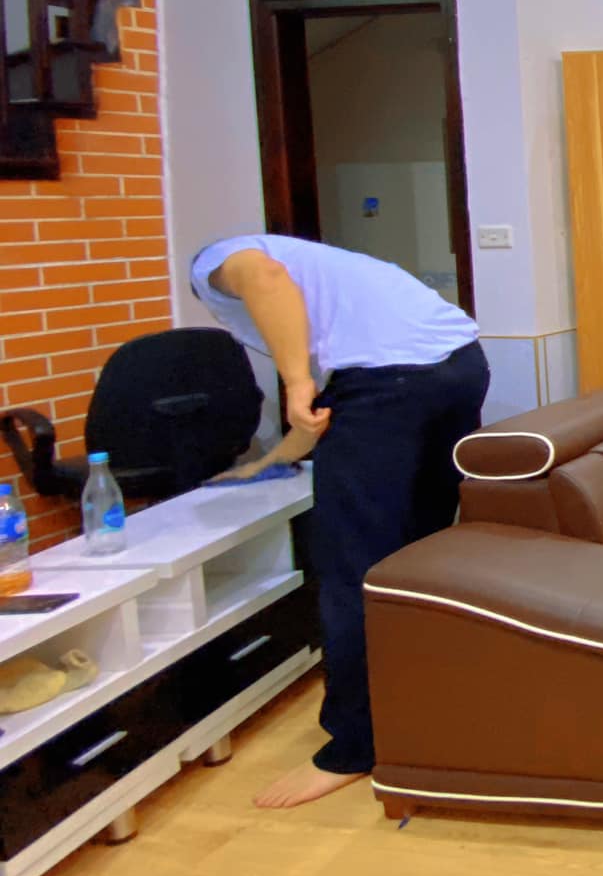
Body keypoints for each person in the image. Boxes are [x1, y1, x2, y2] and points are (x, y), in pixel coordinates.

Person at [189, 234, 489, 808]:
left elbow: (265, 282)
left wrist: (295, 382)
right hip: (461, 367)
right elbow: (324, 417)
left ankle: (352, 748)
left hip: (390, 384)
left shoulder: (213, 265)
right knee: (416, 558)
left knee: (354, 569)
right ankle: (423, 706)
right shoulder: (334, 274)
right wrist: (268, 463)